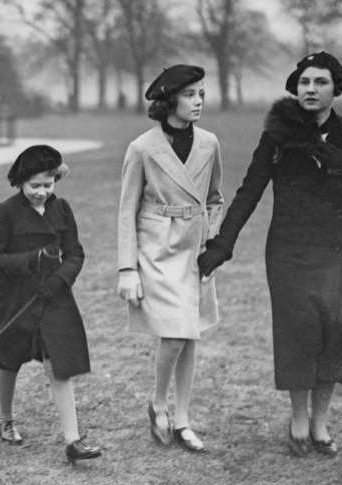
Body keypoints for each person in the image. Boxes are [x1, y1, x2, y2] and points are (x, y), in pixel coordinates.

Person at [198, 51, 342, 457]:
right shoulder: (277, 136)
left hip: (338, 251)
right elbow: (250, 190)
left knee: (334, 334)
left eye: (320, 82)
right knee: (297, 335)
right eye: (304, 82)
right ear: (295, 87)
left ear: (336, 88)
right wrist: (222, 244)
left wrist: (328, 156)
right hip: (289, 252)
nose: (311, 89)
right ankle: (298, 420)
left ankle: (321, 423)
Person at [0, 144, 101, 463]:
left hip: (53, 296)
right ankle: (5, 419)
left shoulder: (62, 209)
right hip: (14, 298)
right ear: (20, 183)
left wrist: (60, 279)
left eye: (48, 184)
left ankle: (72, 440)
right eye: (34, 186)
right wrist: (31, 260)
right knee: (9, 359)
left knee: (58, 362)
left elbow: (76, 253)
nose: (41, 192)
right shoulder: (5, 212)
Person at [117, 65, 224, 453]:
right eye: (190, 94)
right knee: (178, 330)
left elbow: (215, 197)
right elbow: (126, 210)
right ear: (169, 100)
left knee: (189, 333)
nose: (198, 101)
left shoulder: (210, 143)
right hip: (157, 249)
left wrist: (212, 240)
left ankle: (182, 419)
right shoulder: (143, 148)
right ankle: (159, 402)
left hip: (195, 251)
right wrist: (127, 267)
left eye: (201, 94)